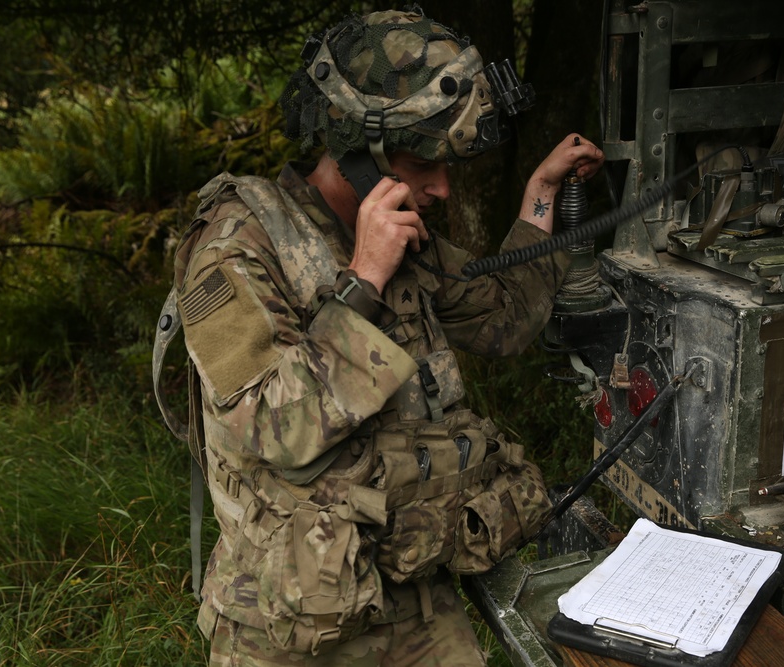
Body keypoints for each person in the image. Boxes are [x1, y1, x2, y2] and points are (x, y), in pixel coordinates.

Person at [159, 6, 603, 666]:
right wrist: (363, 279)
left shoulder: (403, 241)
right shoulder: (234, 250)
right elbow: (276, 430)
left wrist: (541, 199)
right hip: (286, 624)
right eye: (423, 160)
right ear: (360, 150)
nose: (443, 187)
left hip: (405, 589)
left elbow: (507, 316)